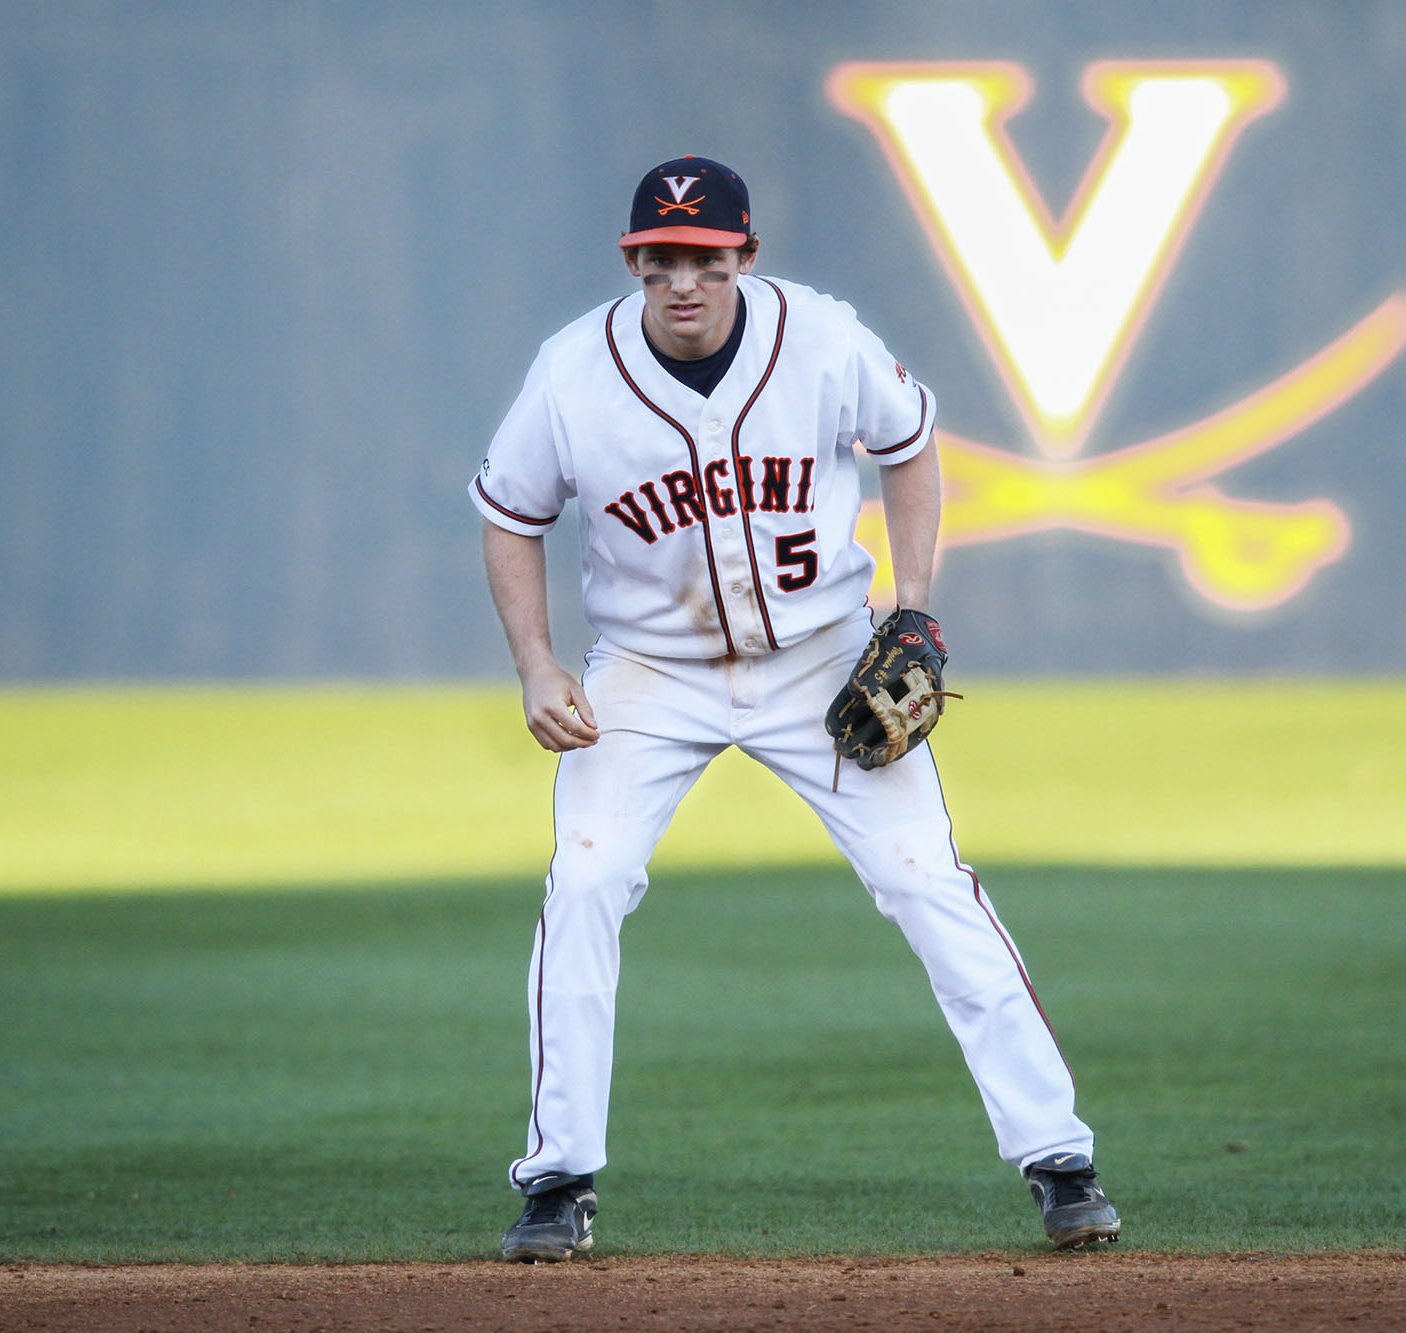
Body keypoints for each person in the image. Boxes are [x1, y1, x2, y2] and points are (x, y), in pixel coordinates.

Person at [470, 155, 1118, 1261]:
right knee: (584, 875)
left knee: (926, 879)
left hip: (819, 653)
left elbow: (910, 448)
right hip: (650, 670)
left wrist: (910, 609)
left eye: (704, 259)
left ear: (744, 258)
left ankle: (1060, 1161)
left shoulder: (818, 339)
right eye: (660, 260)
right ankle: (556, 1180)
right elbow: (508, 511)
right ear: (634, 263)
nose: (682, 280)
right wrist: (536, 664)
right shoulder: (573, 372)